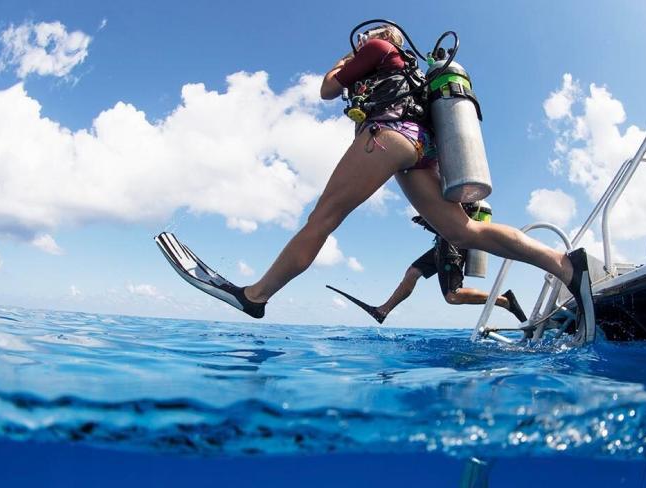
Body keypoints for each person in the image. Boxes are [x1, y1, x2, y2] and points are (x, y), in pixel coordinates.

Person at [156, 24, 595, 341]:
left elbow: (328, 89)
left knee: (323, 218)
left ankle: (254, 296)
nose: (364, 39)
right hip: (419, 150)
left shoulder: (379, 48)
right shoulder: (413, 75)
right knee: (463, 231)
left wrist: (343, 62)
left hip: (388, 136)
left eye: (372, 35)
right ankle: (564, 265)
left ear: (387, 38)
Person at [326, 208, 528, 324]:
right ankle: (383, 311)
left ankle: (504, 301)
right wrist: (428, 221)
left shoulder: (458, 189)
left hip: (453, 243)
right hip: (442, 242)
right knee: (413, 272)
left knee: (453, 295)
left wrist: (428, 221)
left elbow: (456, 220)